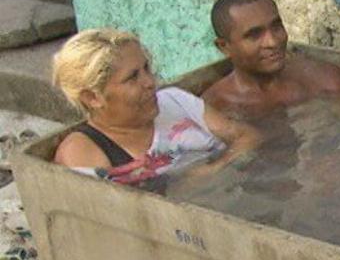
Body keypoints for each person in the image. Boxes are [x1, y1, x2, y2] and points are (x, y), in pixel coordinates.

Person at [52, 29, 263, 186]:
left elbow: (248, 136)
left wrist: (214, 170)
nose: (150, 82)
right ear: (92, 97)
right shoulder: (83, 152)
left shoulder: (174, 100)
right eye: (133, 77)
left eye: (146, 68)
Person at [202, 0, 340, 119]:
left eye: (276, 26)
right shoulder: (214, 108)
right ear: (224, 47)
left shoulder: (325, 82)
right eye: (254, 35)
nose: (272, 42)